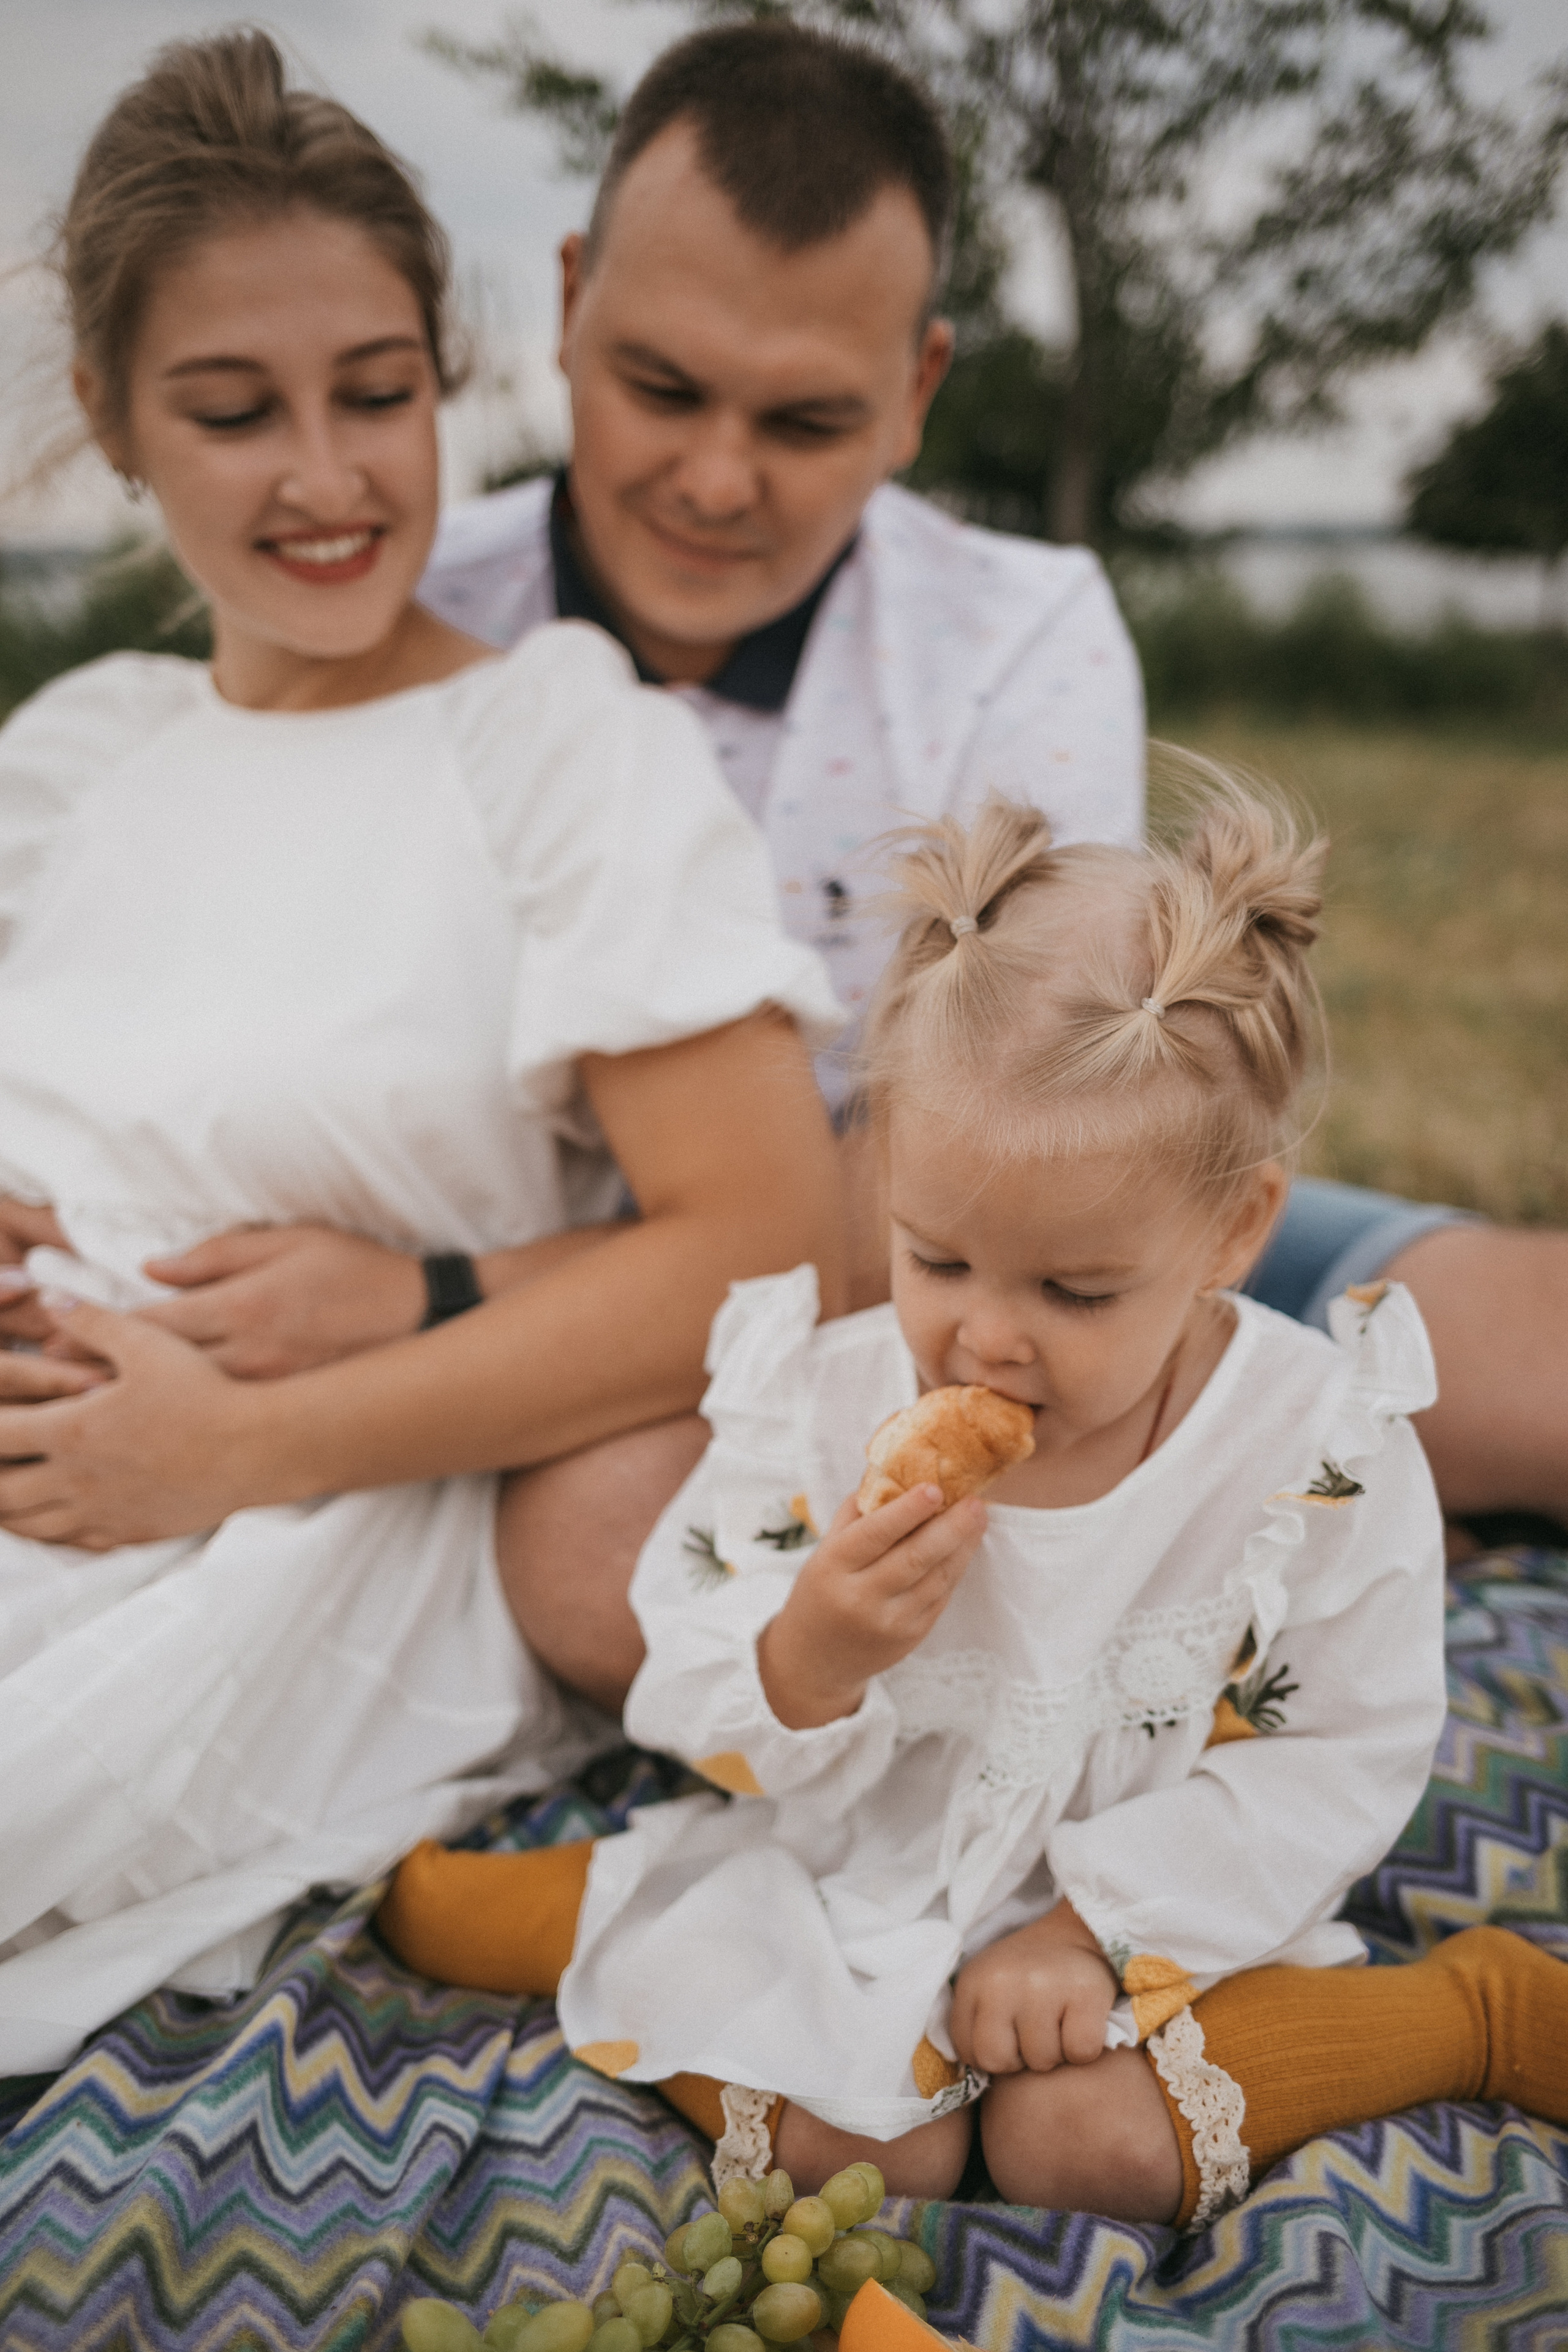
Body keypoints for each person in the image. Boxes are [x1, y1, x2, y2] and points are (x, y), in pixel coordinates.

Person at [1, 19, 1563, 1678]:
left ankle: (1296, 1527)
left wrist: (440, 1289)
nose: (714, 478)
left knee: (1520, 1369)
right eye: (660, 387)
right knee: (596, 1557)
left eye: (806, 421)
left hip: (1010, 1233)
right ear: (569, 304)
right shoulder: (389, 591)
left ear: (916, 392)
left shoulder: (1013, 634)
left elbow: (1016, 1125)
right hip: (652, 1326)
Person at [0, 30, 845, 2075]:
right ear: (112, 417)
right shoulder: (78, 754)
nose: (329, 478)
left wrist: (241, 1448)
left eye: (378, 395)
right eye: (234, 413)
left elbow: (769, 1244)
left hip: (316, 1526)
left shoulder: (553, 744)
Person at [377, 783, 1568, 2225]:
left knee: (1086, 2153)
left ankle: (1471, 2014)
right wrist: (806, 1650)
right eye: (936, 1260)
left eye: (1074, 1291)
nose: (985, 1340)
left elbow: (1339, 1751)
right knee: (863, 2161)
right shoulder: (824, 1407)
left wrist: (1087, 1933)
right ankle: (609, 1911)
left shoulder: (1313, 1452)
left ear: (1234, 1228)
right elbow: (691, 1634)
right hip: (867, 1875)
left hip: (1171, 1899)